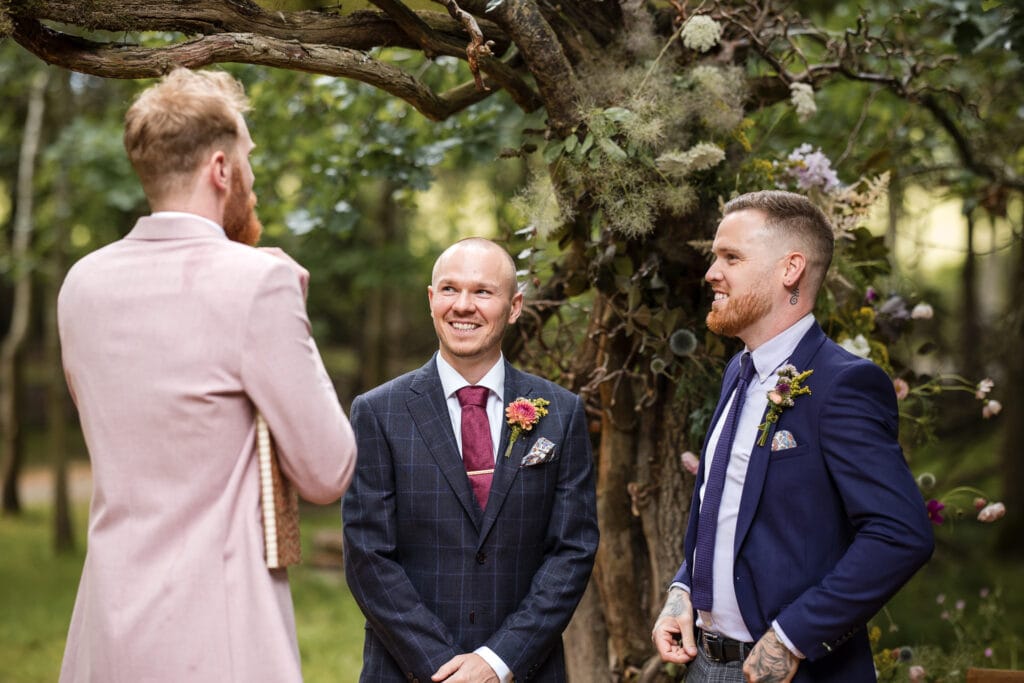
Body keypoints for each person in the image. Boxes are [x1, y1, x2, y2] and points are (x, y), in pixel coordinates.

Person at [57, 68, 357, 682]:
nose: (251, 177)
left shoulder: (80, 285)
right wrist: (287, 310)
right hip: (220, 636)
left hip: (106, 631)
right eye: (248, 160)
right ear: (220, 169)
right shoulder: (259, 284)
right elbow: (329, 471)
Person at [651, 190, 934, 682]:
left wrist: (792, 638)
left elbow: (900, 533)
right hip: (705, 666)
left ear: (791, 269)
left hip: (791, 670)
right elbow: (723, 508)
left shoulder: (843, 384)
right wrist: (682, 593)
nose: (711, 273)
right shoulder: (738, 371)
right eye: (715, 257)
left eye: (731, 258)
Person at [342, 237, 599, 682]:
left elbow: (572, 552)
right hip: (406, 669)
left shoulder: (561, 412)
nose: (463, 305)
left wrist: (497, 661)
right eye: (449, 289)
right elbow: (368, 557)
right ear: (431, 300)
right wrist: (441, 666)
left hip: (523, 670)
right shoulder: (377, 412)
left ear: (514, 306)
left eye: (483, 292)